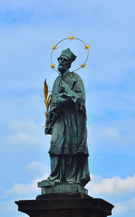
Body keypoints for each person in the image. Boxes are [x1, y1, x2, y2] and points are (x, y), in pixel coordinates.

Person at [44, 48, 90, 187]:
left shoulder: (76, 78)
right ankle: (55, 177)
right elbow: (53, 101)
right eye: (60, 59)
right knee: (55, 144)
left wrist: (67, 99)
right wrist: (49, 121)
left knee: (71, 147)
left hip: (72, 119)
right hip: (59, 118)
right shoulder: (57, 80)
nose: (62, 62)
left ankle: (71, 177)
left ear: (70, 64)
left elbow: (80, 98)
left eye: (65, 60)